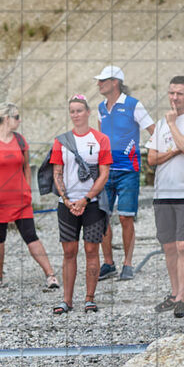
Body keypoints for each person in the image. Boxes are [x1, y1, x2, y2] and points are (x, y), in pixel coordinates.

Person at [0, 102, 58, 293]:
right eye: (17, 117)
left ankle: (50, 274)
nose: (19, 121)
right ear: (6, 118)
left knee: (31, 235)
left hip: (20, 198)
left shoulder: (20, 140)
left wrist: (28, 189)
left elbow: (26, 167)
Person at [146, 76, 184, 319]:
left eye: (179, 93)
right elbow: (151, 159)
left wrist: (173, 127)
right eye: (171, 93)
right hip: (164, 191)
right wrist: (171, 151)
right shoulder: (161, 123)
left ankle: (182, 297)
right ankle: (173, 293)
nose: (174, 98)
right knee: (169, 246)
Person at [49, 95, 112, 314]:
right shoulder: (61, 140)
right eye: (72, 111)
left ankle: (89, 297)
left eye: (79, 110)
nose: (76, 115)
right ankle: (66, 300)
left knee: (91, 250)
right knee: (69, 251)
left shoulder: (101, 139)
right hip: (67, 204)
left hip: (92, 203)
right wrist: (67, 200)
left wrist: (85, 200)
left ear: (87, 112)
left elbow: (104, 174)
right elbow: (57, 172)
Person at [95, 65, 155, 282]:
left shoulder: (133, 105)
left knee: (125, 217)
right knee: (102, 217)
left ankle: (128, 264)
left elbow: (153, 130)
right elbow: (101, 136)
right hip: (105, 170)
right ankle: (108, 263)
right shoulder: (101, 107)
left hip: (128, 170)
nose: (99, 84)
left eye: (103, 80)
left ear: (115, 83)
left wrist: (151, 152)